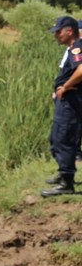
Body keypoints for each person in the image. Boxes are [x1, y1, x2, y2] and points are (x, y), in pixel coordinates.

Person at [40, 15, 82, 197]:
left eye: (58, 32)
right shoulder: (73, 47)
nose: (56, 35)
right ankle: (64, 174)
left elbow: (81, 70)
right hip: (67, 100)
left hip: (71, 101)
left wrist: (64, 86)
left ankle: (67, 183)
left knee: (63, 138)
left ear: (69, 31)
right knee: (56, 138)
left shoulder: (77, 48)